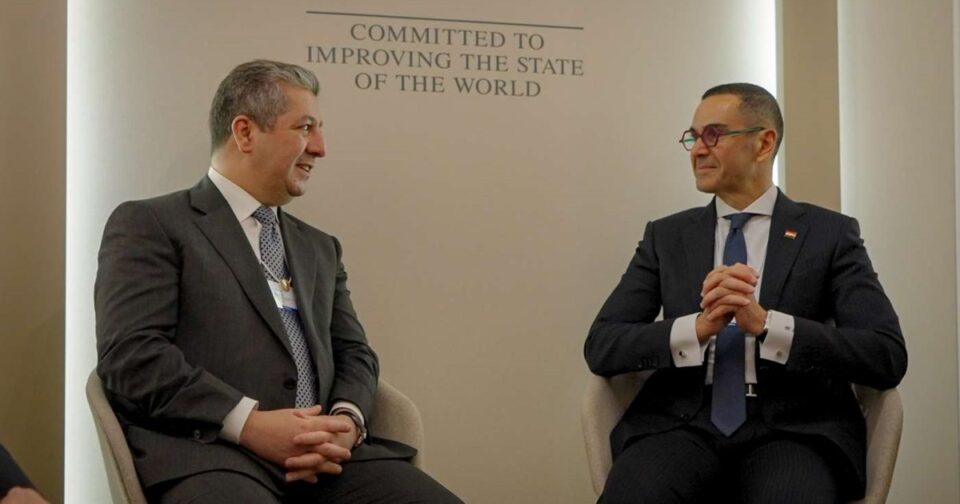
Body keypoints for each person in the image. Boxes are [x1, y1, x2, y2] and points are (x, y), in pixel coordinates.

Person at [95, 59, 462, 503]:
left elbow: (354, 352)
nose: (321, 148)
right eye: (305, 128)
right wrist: (248, 423)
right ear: (245, 133)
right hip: (213, 453)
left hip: (329, 462)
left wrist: (346, 422)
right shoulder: (153, 224)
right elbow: (131, 356)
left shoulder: (319, 248)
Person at [584, 83, 907, 503]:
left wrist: (769, 326)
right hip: (681, 425)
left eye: (713, 135)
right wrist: (696, 328)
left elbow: (884, 355)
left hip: (793, 431)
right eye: (693, 137)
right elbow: (603, 345)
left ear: (763, 143)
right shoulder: (667, 236)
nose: (698, 150)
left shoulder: (829, 234)